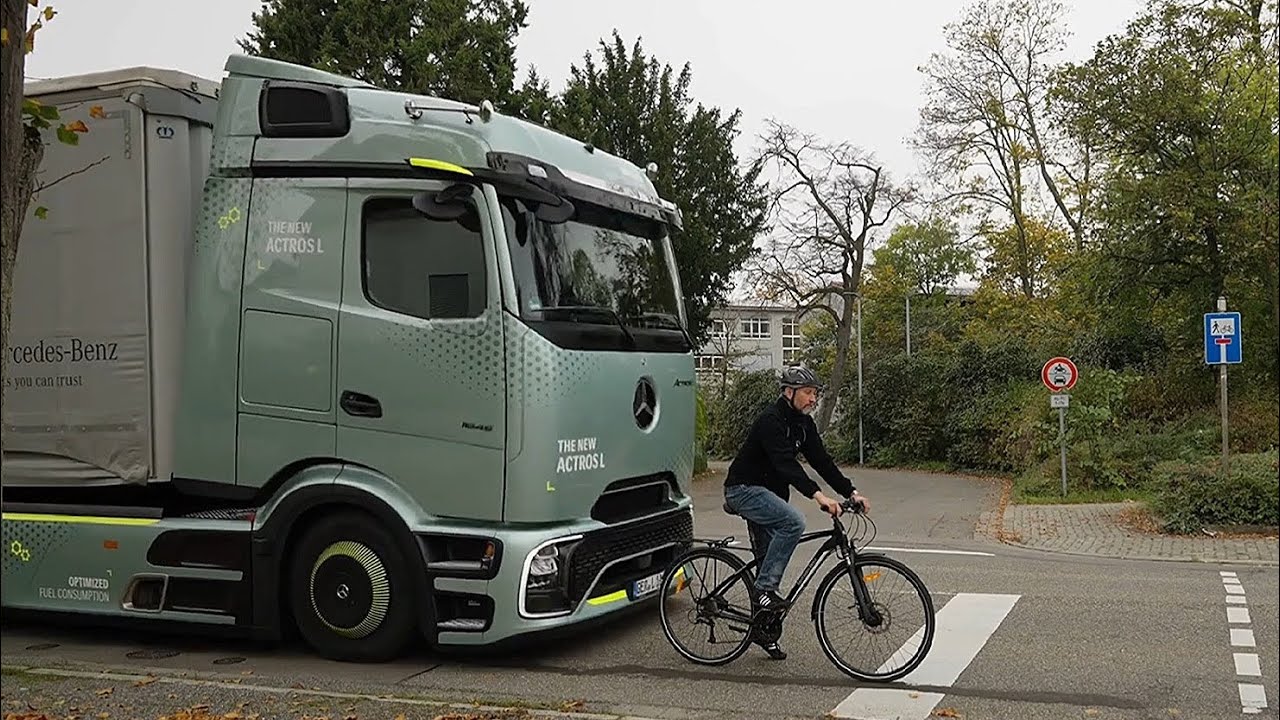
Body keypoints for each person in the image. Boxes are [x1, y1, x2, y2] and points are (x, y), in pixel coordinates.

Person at [722, 365, 870, 660]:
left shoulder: (804, 425)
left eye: (815, 393)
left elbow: (822, 461)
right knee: (793, 522)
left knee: (767, 561)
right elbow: (785, 465)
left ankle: (764, 630)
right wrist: (819, 496)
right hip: (743, 490)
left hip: (770, 496)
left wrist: (850, 492)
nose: (813, 399)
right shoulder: (770, 421)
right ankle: (764, 590)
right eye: (807, 393)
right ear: (788, 393)